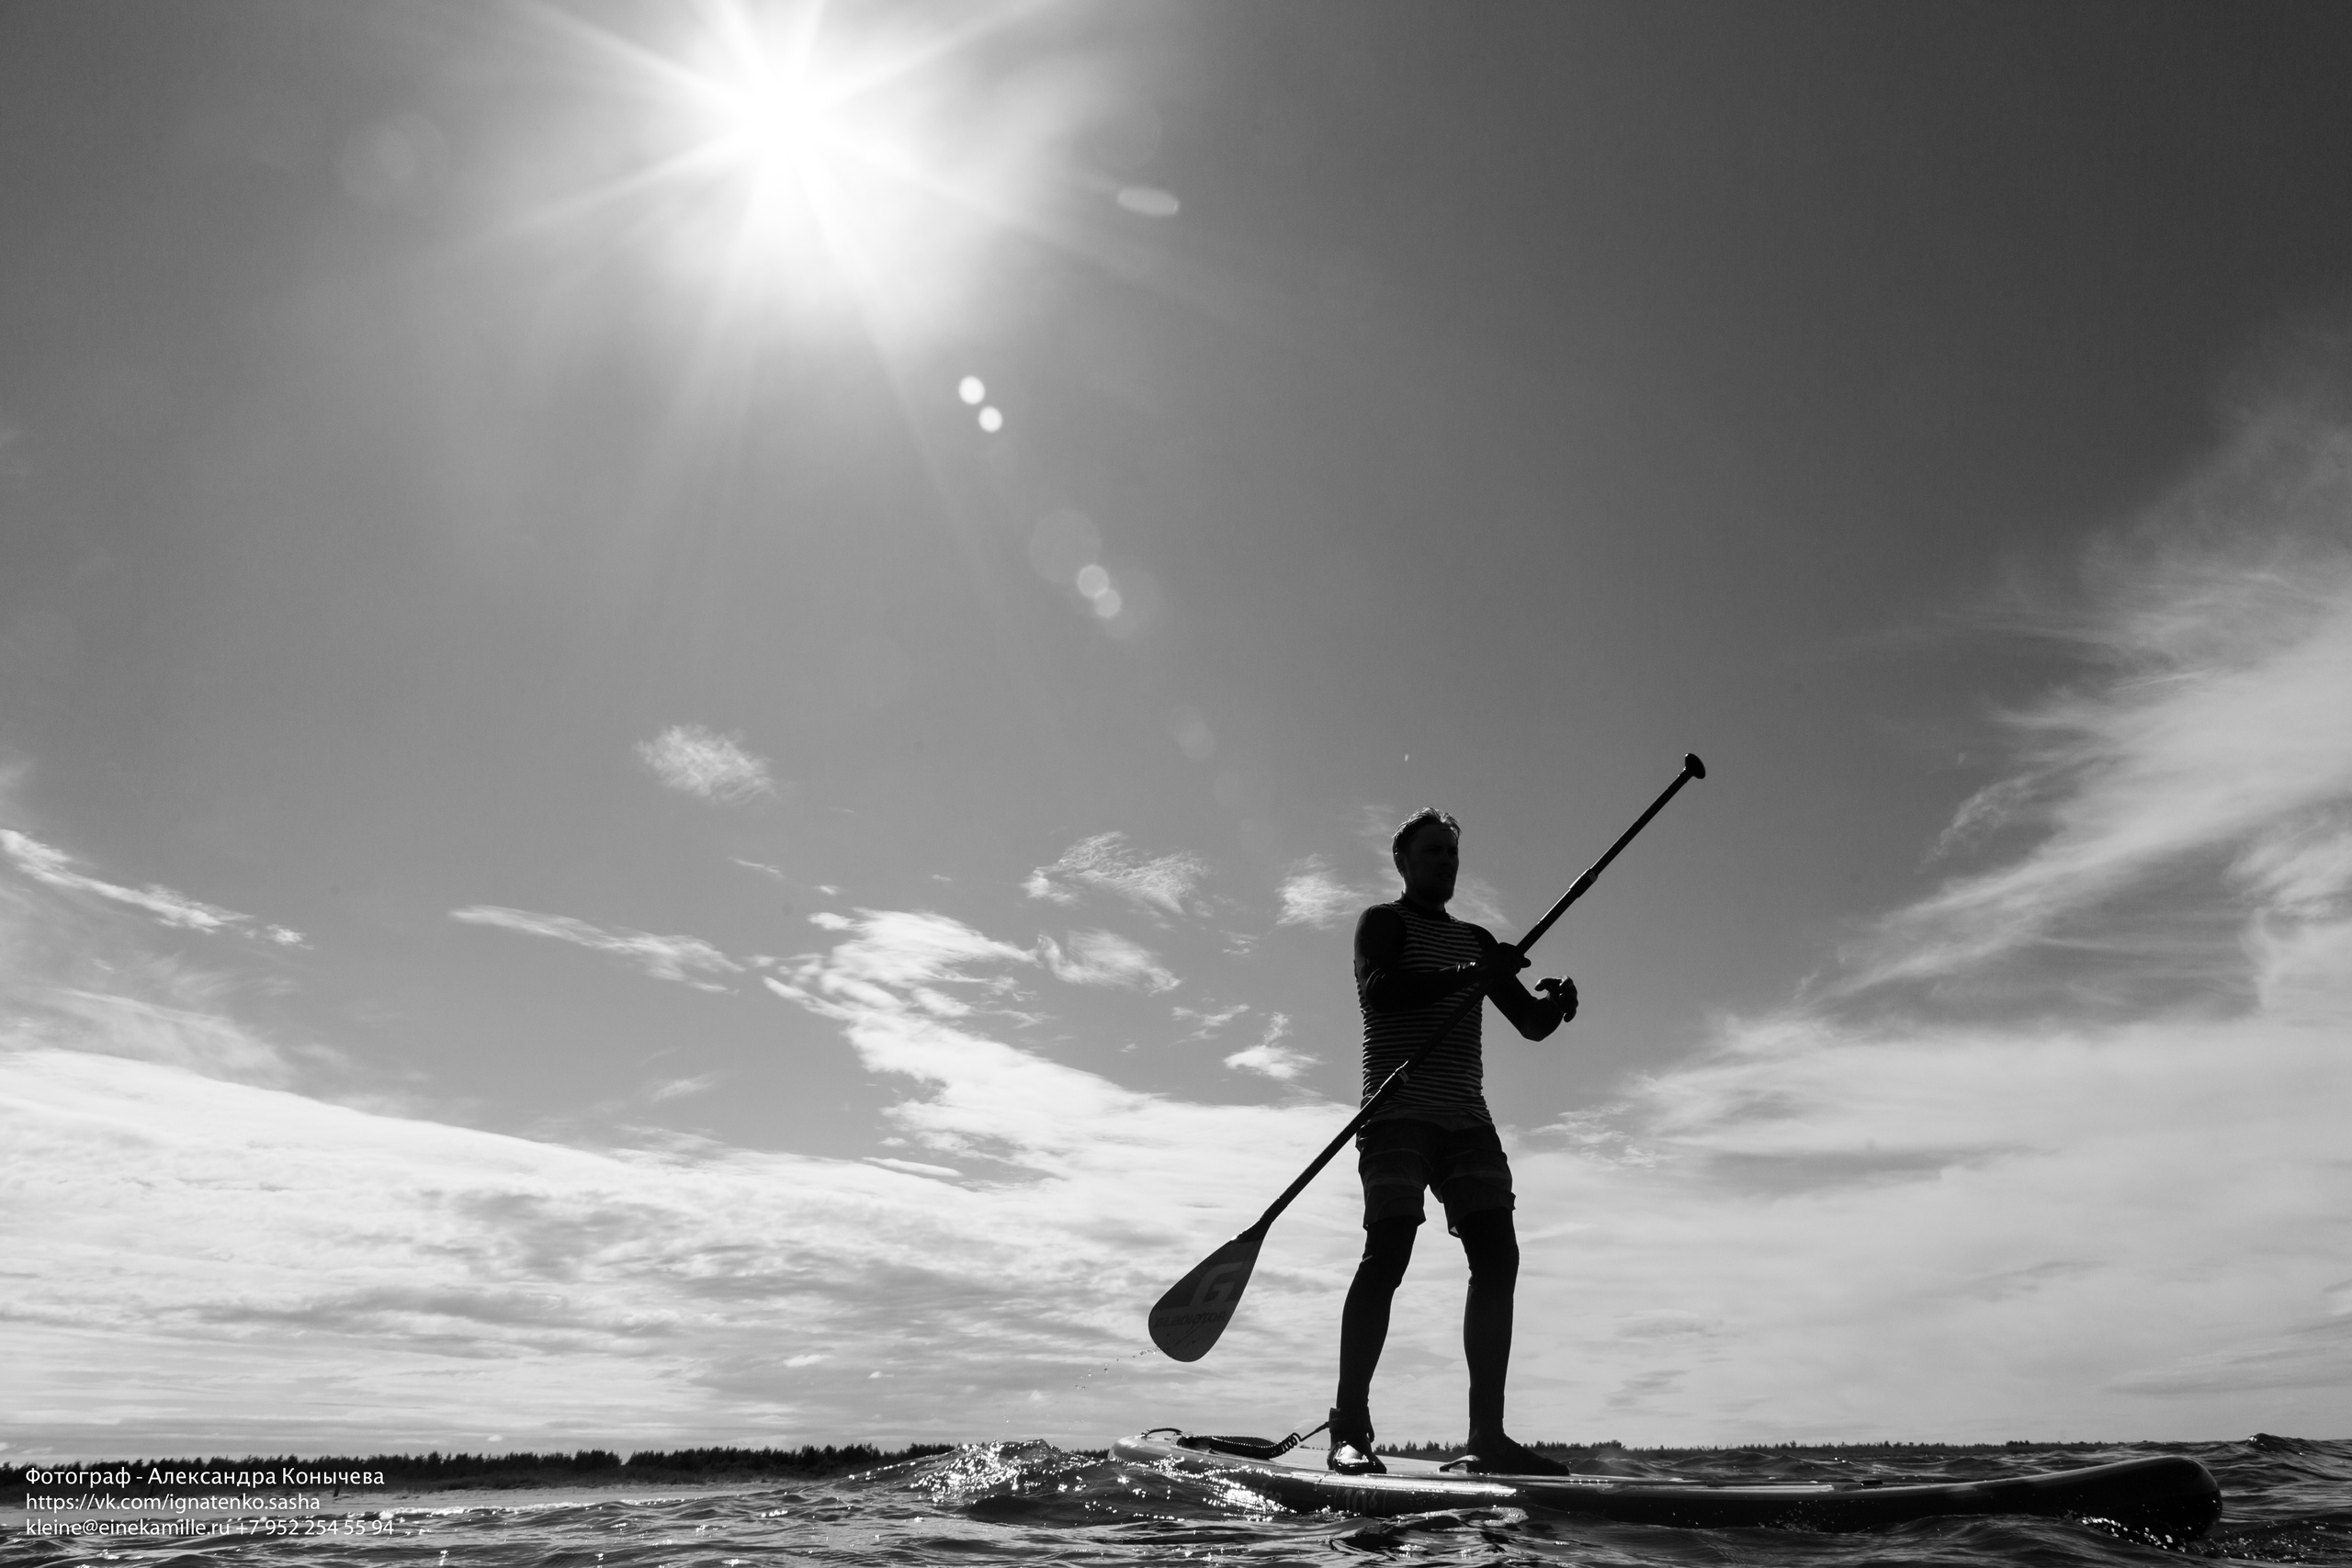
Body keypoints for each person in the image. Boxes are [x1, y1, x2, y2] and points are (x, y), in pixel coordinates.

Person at [1329, 807, 1577, 1476]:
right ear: (1403, 861)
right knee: (1389, 1253)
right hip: (1396, 1113)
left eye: (1452, 853)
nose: (1446, 862)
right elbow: (1382, 992)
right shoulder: (1384, 923)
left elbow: (1529, 1023)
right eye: (1433, 851)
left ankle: (1486, 1437)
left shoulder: (1475, 939)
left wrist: (1557, 1004)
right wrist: (1474, 971)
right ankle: (1349, 1429)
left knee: (1498, 1259)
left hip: (1467, 1118)